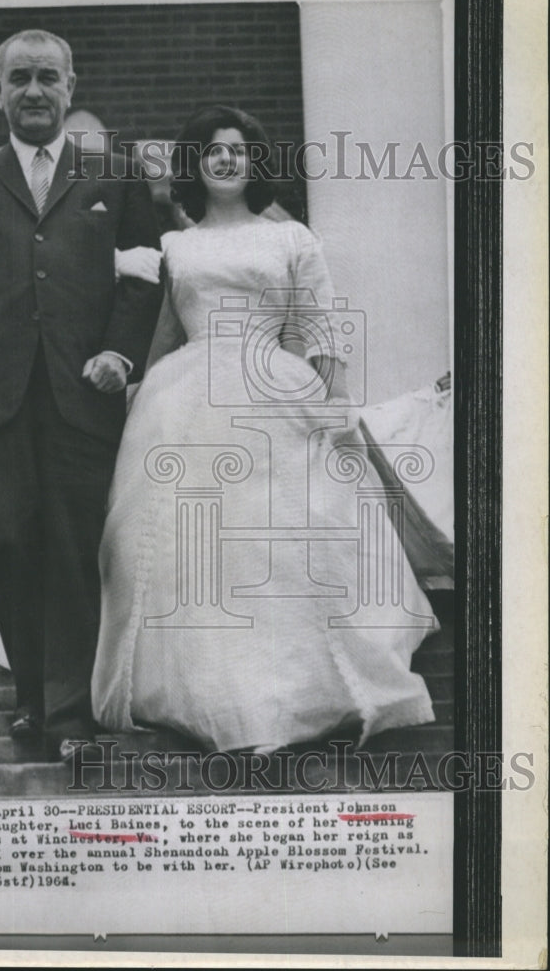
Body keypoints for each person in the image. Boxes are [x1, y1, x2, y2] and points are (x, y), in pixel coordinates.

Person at [92, 105, 448, 754]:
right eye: (211, 151)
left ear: (253, 163)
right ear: (193, 167)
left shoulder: (291, 239)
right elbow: (165, 334)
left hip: (273, 387)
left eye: (237, 150)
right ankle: (209, 689)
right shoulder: (176, 247)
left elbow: (319, 323)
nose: (225, 159)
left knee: (280, 536)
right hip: (186, 399)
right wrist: (135, 403)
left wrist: (334, 398)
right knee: (196, 543)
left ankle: (300, 687)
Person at [0, 29, 162, 761]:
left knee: (69, 550)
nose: (33, 92)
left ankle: (68, 715)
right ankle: (32, 688)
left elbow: (142, 282)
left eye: (47, 78)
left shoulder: (113, 177)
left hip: (80, 396)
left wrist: (119, 351)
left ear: (70, 87)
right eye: (18, 78)